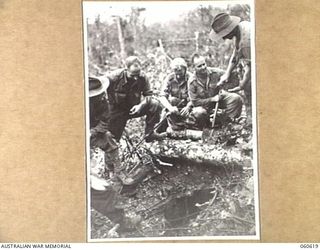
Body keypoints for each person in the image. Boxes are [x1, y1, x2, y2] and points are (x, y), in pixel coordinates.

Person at [89, 76, 135, 186]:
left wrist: (93, 132)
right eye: (96, 94)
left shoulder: (103, 101)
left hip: (93, 132)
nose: (101, 95)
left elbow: (105, 121)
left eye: (101, 92)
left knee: (109, 139)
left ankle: (118, 171)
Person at [106, 56, 164, 142]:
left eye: (138, 74)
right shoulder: (114, 77)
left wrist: (140, 105)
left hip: (134, 108)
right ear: (126, 69)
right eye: (132, 75)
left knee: (154, 104)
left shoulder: (143, 77)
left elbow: (148, 95)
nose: (136, 78)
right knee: (113, 140)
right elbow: (99, 87)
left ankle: (149, 134)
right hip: (116, 111)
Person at [209, 13, 252, 116]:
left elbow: (251, 68)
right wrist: (227, 73)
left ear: (230, 29)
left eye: (224, 34)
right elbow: (236, 53)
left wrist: (242, 84)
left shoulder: (247, 41)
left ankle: (253, 121)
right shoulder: (241, 27)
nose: (224, 38)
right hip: (250, 63)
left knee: (250, 88)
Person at [188, 54, 243, 128]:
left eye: (204, 64)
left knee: (236, 98)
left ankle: (228, 123)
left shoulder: (215, 73)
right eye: (199, 66)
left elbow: (232, 76)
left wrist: (225, 85)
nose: (203, 67)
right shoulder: (192, 81)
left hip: (219, 100)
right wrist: (212, 99)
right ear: (193, 67)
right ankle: (206, 127)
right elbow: (195, 102)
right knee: (198, 112)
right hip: (204, 106)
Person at [158, 58, 195, 131]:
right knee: (171, 101)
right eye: (175, 71)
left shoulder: (192, 78)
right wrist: (170, 108)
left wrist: (188, 106)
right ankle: (159, 132)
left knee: (198, 114)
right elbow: (162, 96)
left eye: (180, 72)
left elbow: (198, 96)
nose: (178, 75)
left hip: (190, 106)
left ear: (185, 69)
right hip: (176, 107)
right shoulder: (170, 78)